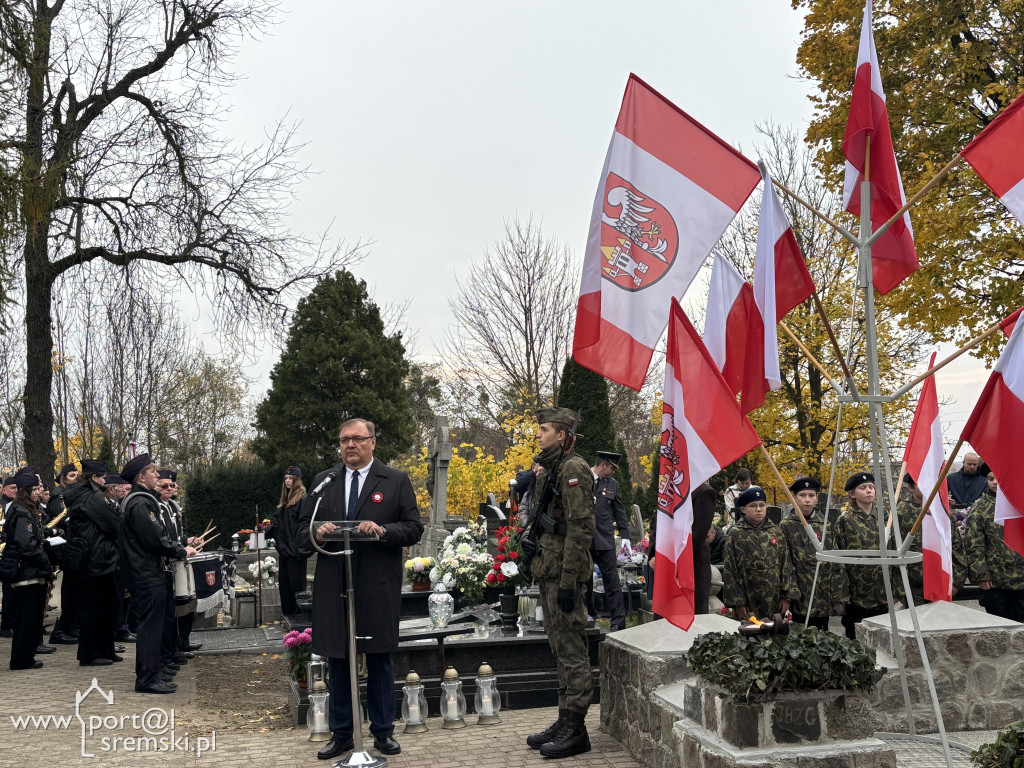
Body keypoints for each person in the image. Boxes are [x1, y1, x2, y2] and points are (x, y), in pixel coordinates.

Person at [297, 419, 424, 761]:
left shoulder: (394, 480)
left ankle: (383, 732)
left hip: (376, 582)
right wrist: (319, 532)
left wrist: (382, 531)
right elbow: (300, 533)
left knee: (380, 656)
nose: (349, 445)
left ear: (373, 442)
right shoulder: (325, 481)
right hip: (334, 582)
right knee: (338, 657)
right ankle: (341, 734)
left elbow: (413, 528)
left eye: (356, 439)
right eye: (343, 440)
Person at [524, 407, 595, 759]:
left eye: (544, 429)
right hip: (549, 569)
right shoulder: (551, 468)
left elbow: (581, 528)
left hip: (565, 574)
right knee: (559, 650)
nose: (539, 435)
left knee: (572, 652)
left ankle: (577, 728)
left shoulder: (573, 468)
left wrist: (569, 581)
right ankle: (564, 718)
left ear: (562, 435)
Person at [118, 454, 195, 694]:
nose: (157, 476)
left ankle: (153, 673)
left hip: (148, 571)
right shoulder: (140, 503)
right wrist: (180, 550)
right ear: (141, 477)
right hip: (146, 573)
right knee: (150, 628)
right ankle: (147, 679)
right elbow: (153, 538)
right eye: (153, 473)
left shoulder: (142, 500)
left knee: (155, 626)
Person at [64, 459, 121, 666]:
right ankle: (89, 654)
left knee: (108, 605)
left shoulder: (86, 495)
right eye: (103, 476)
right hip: (97, 558)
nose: (106, 480)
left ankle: (106, 649)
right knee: (95, 608)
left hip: (97, 556)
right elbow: (113, 523)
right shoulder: (93, 497)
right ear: (95, 477)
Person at [833, 472, 902, 639]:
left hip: (882, 592)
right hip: (856, 594)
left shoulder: (886, 518)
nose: (869, 491)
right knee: (855, 640)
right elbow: (838, 560)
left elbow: (895, 555)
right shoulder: (845, 520)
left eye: (871, 487)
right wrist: (841, 594)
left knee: (883, 641)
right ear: (852, 494)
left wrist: (897, 590)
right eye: (863, 488)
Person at [0, 474, 53, 670]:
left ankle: (26, 657)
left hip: (31, 573)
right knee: (26, 620)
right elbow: (26, 544)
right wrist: (44, 561)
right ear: (27, 492)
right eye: (36, 489)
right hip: (26, 574)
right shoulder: (22, 513)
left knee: (31, 619)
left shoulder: (26, 510)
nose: (39, 492)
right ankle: (21, 659)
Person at [780, 477, 847, 630]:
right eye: (802, 495)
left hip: (822, 594)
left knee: (822, 636)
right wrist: (787, 595)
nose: (807, 500)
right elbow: (785, 563)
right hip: (799, 594)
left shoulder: (825, 525)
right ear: (794, 498)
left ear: (817, 498)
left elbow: (835, 560)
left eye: (811, 495)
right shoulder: (787, 526)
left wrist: (838, 594)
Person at [723, 487, 799, 620]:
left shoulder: (776, 531)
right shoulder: (736, 533)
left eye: (762, 505)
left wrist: (787, 596)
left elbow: (786, 565)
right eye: (753, 506)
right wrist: (738, 602)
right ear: (743, 509)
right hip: (748, 599)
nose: (758, 509)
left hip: (774, 599)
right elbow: (731, 570)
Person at [895, 474, 967, 606]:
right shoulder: (901, 511)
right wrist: (898, 589)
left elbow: (955, 544)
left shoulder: (940, 509)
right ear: (911, 487)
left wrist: (957, 580)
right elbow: (895, 550)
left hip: (941, 579)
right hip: (915, 584)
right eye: (922, 484)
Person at [964, 464, 1024, 622]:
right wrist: (981, 576)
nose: (995, 482)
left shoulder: (1020, 504)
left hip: (1021, 578)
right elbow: (974, 545)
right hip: (995, 581)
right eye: (991, 479)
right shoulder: (980, 508)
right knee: (1000, 629)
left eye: (999, 478)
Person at [585, 451, 630, 631]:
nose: (613, 472)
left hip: (604, 539)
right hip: (584, 539)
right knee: (585, 581)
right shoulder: (582, 478)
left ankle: (618, 621)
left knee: (612, 581)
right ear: (603, 465)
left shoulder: (612, 485)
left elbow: (619, 511)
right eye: (611, 468)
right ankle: (588, 616)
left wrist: (625, 535)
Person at [267, 466, 312, 616]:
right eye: (286, 478)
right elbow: (277, 525)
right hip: (284, 553)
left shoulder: (303, 499)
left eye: (291, 478)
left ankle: (300, 623)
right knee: (285, 589)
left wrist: (302, 551)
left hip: (296, 553)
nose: (287, 481)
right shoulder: (284, 503)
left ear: (297, 480)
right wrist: (264, 531)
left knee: (297, 590)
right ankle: (288, 618)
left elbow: (307, 525)